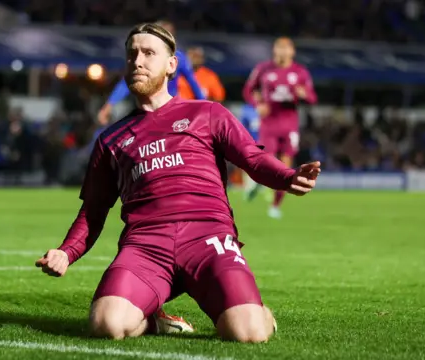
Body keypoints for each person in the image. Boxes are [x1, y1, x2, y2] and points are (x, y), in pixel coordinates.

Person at [35, 23, 321, 343]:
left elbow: (252, 159)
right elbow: (93, 211)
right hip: (145, 246)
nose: (138, 61)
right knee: (106, 324)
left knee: (249, 333)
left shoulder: (208, 114)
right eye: (131, 55)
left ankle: (260, 313)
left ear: (172, 65)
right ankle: (156, 321)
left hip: (208, 239)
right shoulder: (111, 139)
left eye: (148, 53)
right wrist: (66, 252)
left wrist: (288, 176)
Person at [243, 37, 318, 219]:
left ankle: (275, 206)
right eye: (280, 47)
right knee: (267, 161)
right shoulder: (263, 69)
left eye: (287, 48)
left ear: (293, 51)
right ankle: (259, 182)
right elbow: (247, 90)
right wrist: (257, 104)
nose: (283, 51)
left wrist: (304, 95)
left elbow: (313, 98)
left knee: (285, 167)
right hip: (269, 123)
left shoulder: (300, 72)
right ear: (274, 50)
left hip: (289, 125)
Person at [97, 20, 205, 126]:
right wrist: (109, 105)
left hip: (170, 109)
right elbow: (126, 83)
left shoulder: (179, 58)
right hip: (144, 109)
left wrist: (204, 106)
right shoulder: (140, 59)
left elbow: (193, 83)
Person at [238, 103, 262, 200]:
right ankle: (248, 188)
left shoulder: (268, 106)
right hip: (251, 142)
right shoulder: (247, 109)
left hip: (266, 142)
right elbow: (242, 126)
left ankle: (265, 188)